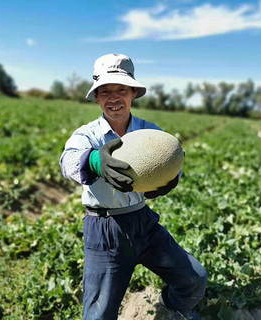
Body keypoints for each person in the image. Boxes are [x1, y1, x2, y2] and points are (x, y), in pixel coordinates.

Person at [60, 53, 207, 320]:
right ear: (96, 97)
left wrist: (171, 179)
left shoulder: (150, 132)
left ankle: (170, 309)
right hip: (104, 230)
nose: (113, 97)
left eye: (121, 90)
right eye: (105, 91)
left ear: (133, 93)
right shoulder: (88, 135)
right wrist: (94, 160)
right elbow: (68, 161)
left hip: (143, 222)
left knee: (194, 278)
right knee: (98, 315)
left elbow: (173, 159)